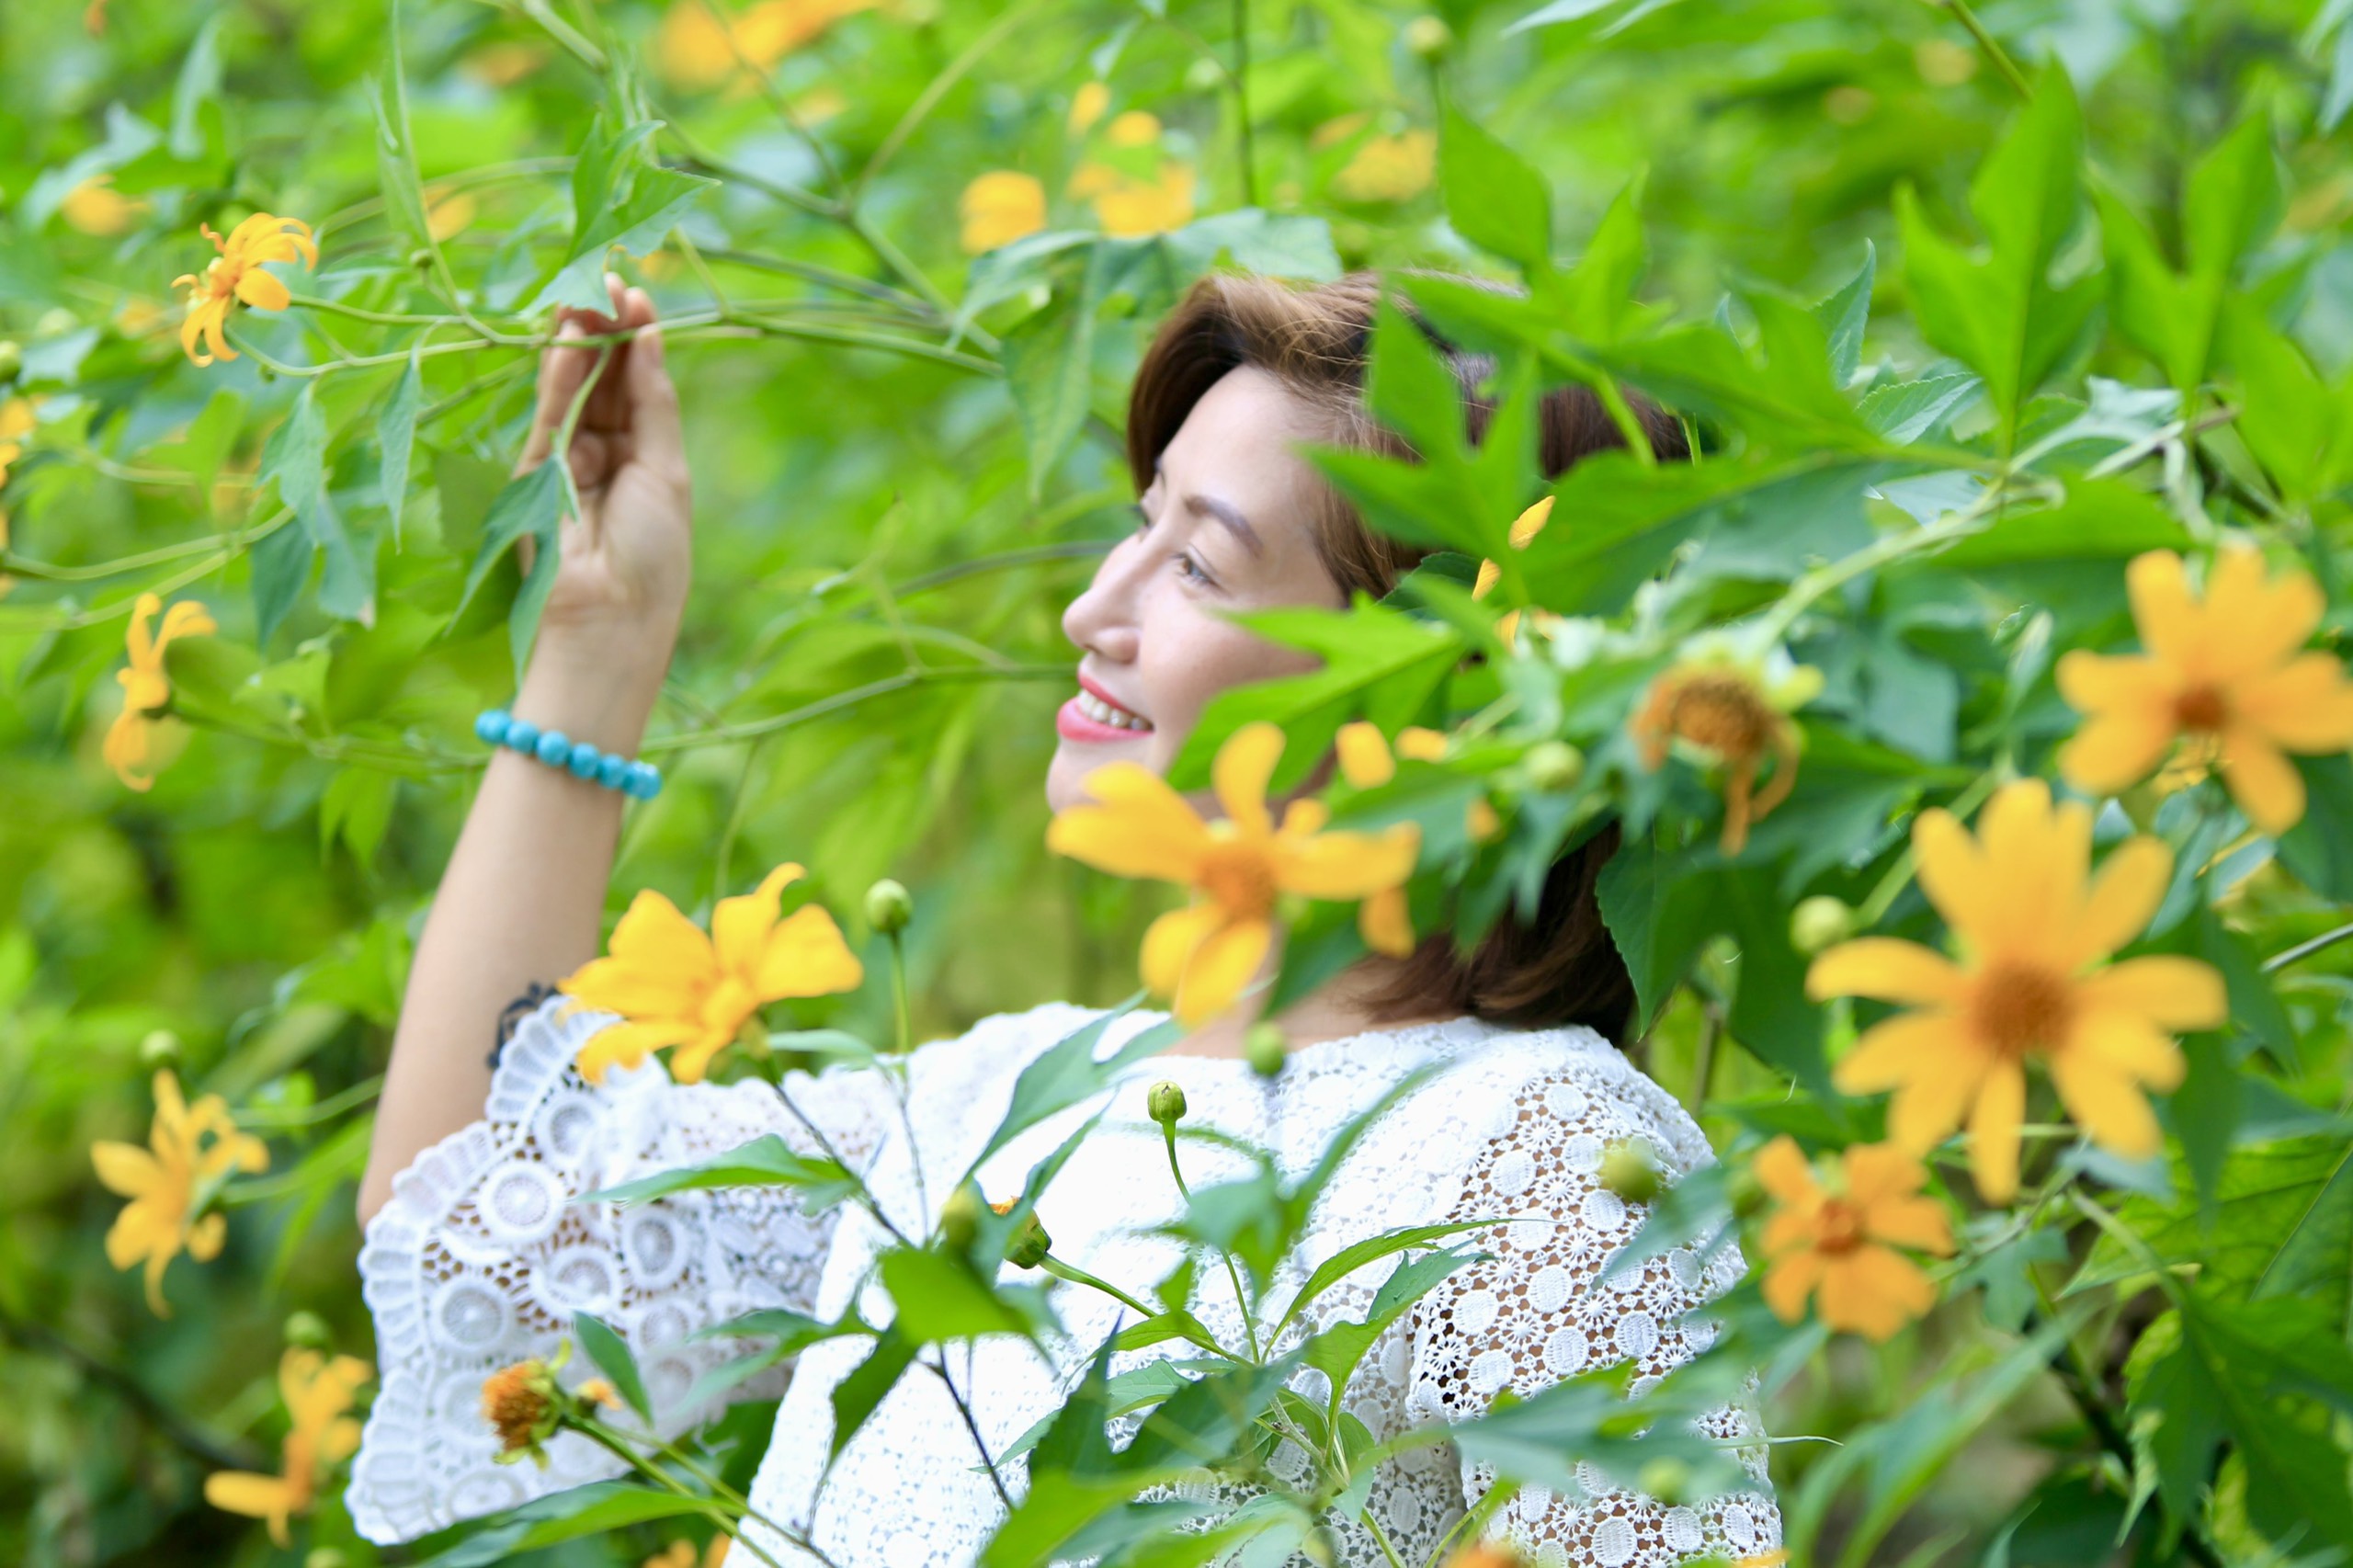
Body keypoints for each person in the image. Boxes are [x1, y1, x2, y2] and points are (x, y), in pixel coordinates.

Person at [347, 270, 1783, 1566]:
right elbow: (475, 1218)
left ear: (1455, 686)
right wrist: (595, 655)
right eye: (1139, 520)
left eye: (1202, 562)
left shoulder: (1539, 1148)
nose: (1095, 606)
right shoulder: (1001, 1109)